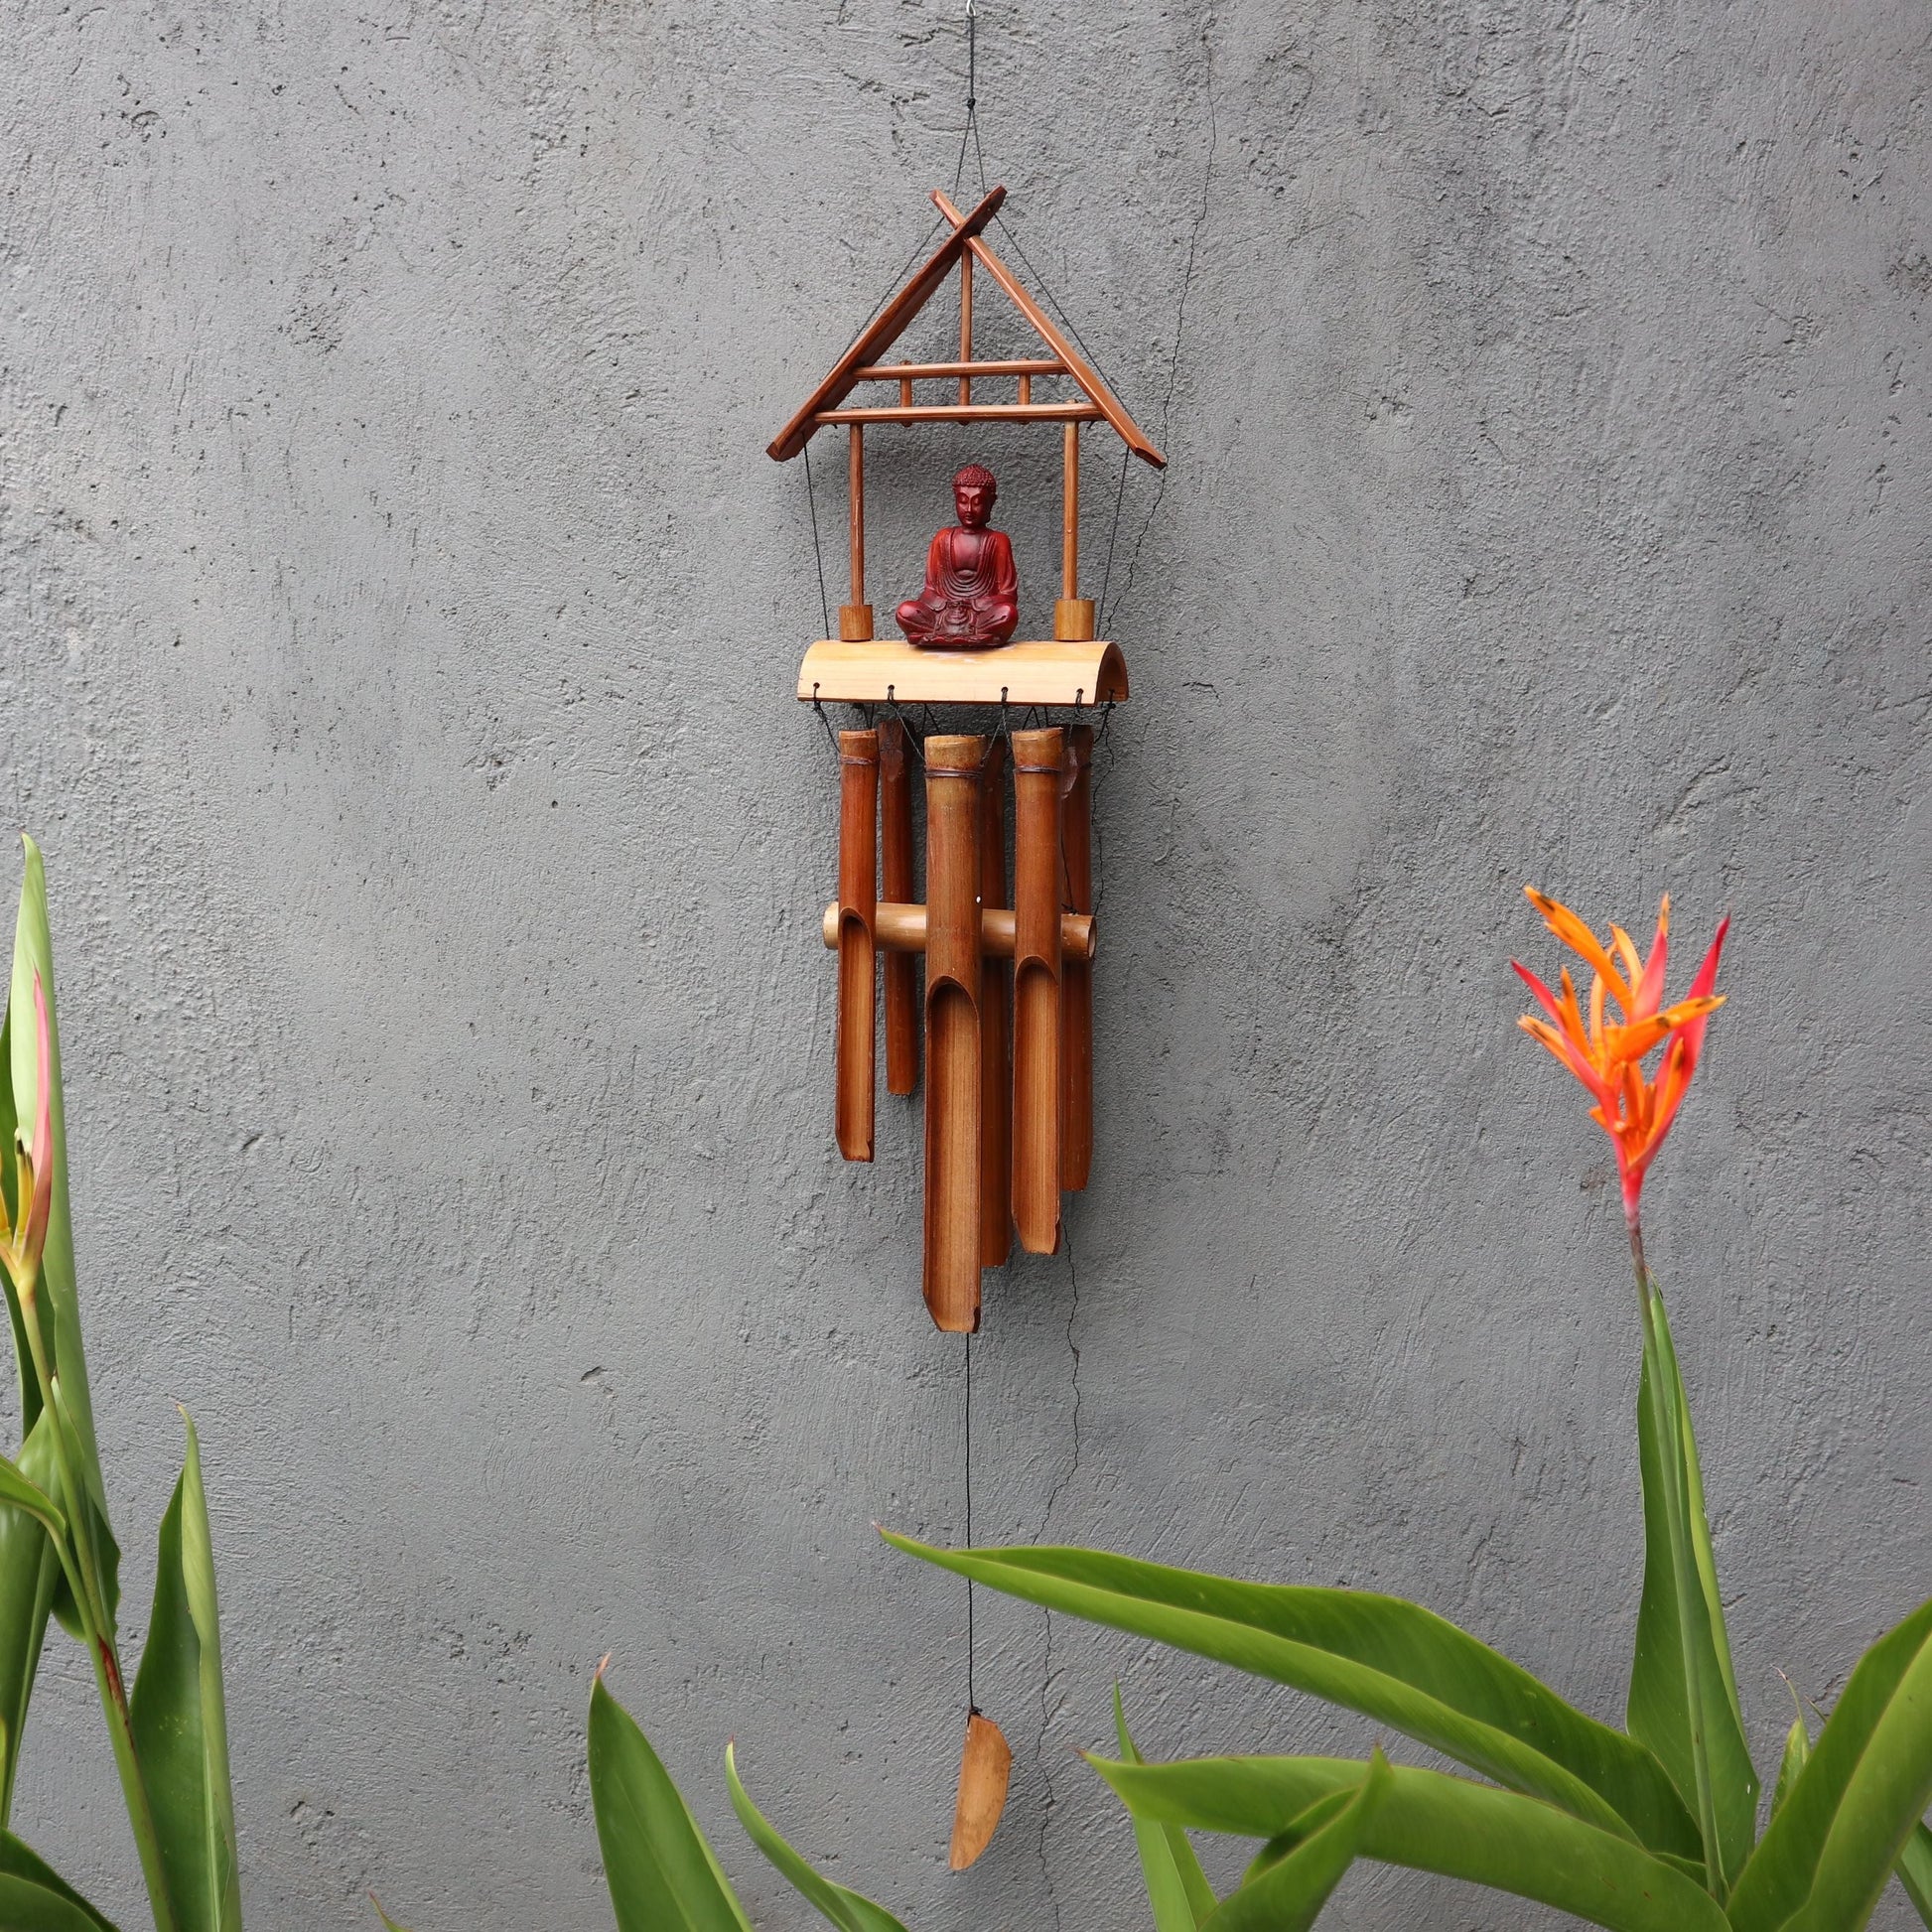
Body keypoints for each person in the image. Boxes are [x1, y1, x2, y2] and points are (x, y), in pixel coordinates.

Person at [897, 464, 1021, 648]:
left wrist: (973, 604)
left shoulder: (998, 541)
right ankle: (953, 633)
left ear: (991, 502)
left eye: (977, 502)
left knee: (1007, 613)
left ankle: (959, 635)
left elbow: (1008, 595)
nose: (969, 509)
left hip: (979, 616)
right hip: (942, 614)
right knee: (905, 611)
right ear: (955, 500)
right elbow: (929, 590)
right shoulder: (943, 538)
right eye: (963, 500)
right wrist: (947, 606)